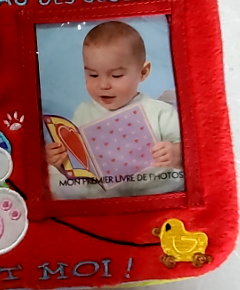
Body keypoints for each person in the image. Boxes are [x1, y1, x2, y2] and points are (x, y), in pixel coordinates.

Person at [45, 21, 184, 196]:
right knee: (54, 177)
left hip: (156, 191)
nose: (103, 85)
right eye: (93, 75)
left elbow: (190, 153)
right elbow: (79, 166)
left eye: (116, 76)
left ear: (143, 72)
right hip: (104, 196)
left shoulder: (160, 112)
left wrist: (175, 153)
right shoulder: (83, 112)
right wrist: (60, 161)